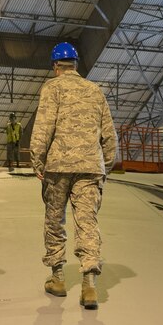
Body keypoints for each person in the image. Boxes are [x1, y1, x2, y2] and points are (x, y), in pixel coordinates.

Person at [30, 42, 117, 310]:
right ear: (76, 65)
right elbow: (109, 135)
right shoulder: (95, 90)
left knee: (55, 221)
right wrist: (104, 166)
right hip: (90, 167)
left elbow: (43, 128)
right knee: (87, 222)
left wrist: (37, 162)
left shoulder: (52, 87)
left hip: (58, 167)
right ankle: (89, 285)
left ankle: (57, 279)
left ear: (56, 66)